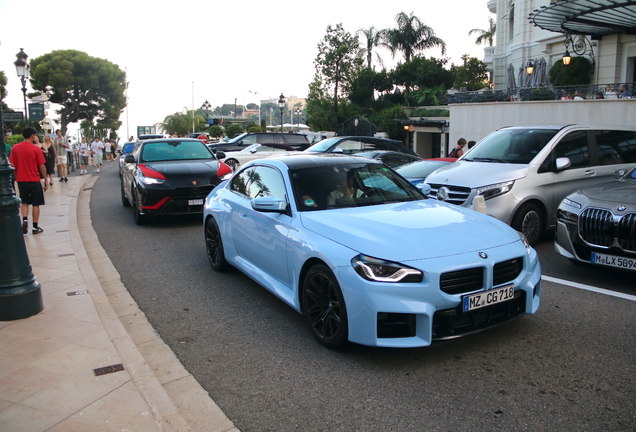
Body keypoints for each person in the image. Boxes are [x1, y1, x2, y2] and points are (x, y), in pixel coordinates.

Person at [8, 127, 48, 234]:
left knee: (24, 201)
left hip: (21, 179)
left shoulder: (15, 148)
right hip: (34, 179)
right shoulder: (36, 149)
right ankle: (35, 227)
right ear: (32, 135)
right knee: (36, 203)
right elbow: (42, 166)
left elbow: (11, 164)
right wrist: (46, 180)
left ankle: (25, 220)